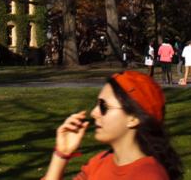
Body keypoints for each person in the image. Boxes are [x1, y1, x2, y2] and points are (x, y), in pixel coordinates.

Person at [42, 71, 181, 180]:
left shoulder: (146, 176)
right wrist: (62, 152)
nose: (94, 113)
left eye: (104, 106)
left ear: (133, 118)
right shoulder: (99, 163)